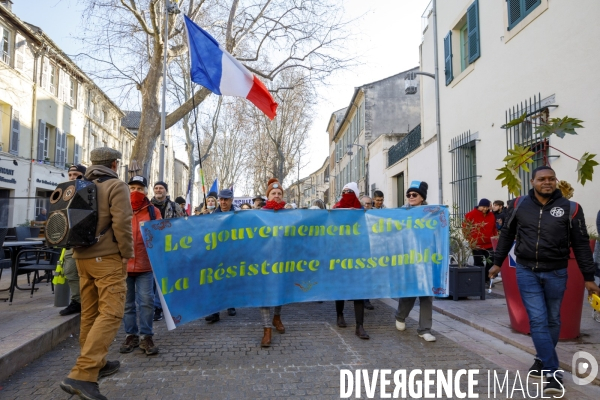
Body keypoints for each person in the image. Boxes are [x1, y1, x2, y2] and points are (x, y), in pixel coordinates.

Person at [489, 166, 600, 395]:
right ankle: (553, 372)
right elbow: (507, 235)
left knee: (553, 318)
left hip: (557, 272)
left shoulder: (571, 208)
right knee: (538, 321)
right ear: (533, 182)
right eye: (542, 179)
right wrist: (497, 262)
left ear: (556, 181)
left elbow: (580, 245)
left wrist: (589, 278)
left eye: (551, 179)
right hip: (526, 270)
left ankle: (541, 358)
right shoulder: (519, 205)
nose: (547, 182)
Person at [60, 147, 133, 400]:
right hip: (107, 258)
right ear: (114, 164)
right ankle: (84, 374)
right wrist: (126, 253)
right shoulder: (116, 186)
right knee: (112, 312)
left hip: (81, 257)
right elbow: (122, 222)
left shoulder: (81, 185)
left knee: (90, 313)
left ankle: (96, 363)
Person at [119, 176, 162, 356]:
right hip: (123, 266)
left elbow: (161, 236)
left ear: (145, 191)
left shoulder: (153, 211)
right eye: (132, 187)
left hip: (146, 266)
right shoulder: (119, 209)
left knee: (147, 303)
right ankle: (131, 335)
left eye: (139, 188)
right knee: (127, 304)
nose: (135, 191)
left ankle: (146, 336)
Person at [395, 181, 436, 342]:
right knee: (410, 291)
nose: (411, 197)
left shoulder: (431, 213)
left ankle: (424, 329)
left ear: (422, 198)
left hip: (427, 258)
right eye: (409, 195)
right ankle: (400, 315)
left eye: (414, 195)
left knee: (427, 294)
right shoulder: (402, 213)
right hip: (408, 258)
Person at [333, 182, 369, 339]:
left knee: (359, 290)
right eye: (344, 191)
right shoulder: (334, 210)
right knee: (340, 288)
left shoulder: (362, 212)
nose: (346, 194)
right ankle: (339, 315)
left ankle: (359, 326)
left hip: (358, 256)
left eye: (350, 191)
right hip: (340, 256)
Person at [258, 178, 287, 347]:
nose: (276, 196)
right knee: (264, 295)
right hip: (263, 260)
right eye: (273, 193)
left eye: (279, 194)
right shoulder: (259, 214)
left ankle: (277, 317)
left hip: (282, 259)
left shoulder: (289, 214)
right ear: (268, 196)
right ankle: (266, 329)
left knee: (279, 292)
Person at [150, 181, 184, 322]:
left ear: (166, 191)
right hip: (150, 246)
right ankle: (152, 306)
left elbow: (182, 224)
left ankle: (158, 307)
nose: (158, 190)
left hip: (168, 247)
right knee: (151, 279)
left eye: (161, 188)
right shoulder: (147, 206)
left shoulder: (174, 206)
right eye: (156, 188)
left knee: (162, 277)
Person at [59, 164, 88, 316]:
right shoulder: (64, 192)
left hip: (88, 241)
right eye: (70, 175)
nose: (72, 178)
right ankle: (77, 302)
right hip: (70, 240)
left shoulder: (90, 191)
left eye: (76, 174)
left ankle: (88, 302)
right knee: (69, 270)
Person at [204, 189, 237, 323]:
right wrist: (203, 218)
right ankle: (214, 311)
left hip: (233, 253)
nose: (223, 202)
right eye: (221, 199)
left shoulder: (238, 215)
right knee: (215, 281)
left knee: (230, 280)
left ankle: (231, 304)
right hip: (216, 253)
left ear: (231, 200)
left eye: (226, 200)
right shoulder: (212, 215)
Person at [464, 198, 498, 282]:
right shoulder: (470, 215)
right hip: (477, 244)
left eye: (487, 207)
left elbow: (494, 228)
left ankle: (487, 279)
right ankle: (480, 280)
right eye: (483, 207)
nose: (485, 209)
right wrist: (470, 240)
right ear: (479, 206)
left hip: (489, 243)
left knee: (491, 260)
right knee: (478, 263)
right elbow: (465, 228)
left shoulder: (491, 215)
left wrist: (495, 237)